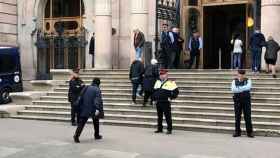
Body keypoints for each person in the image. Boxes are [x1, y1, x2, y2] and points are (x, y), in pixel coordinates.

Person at [73, 78, 104, 143]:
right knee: (96, 121)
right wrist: (97, 109)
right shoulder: (97, 90)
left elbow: (81, 96)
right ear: (98, 84)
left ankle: (76, 135)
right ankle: (96, 135)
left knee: (82, 122)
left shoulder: (86, 87)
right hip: (93, 108)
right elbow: (97, 100)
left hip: (85, 107)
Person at [153, 69, 179, 135]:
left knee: (168, 116)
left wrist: (171, 97)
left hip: (165, 102)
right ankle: (159, 129)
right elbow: (154, 91)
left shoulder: (171, 82)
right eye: (160, 74)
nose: (161, 76)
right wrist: (154, 99)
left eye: (162, 74)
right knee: (159, 116)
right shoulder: (157, 82)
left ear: (166, 75)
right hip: (158, 101)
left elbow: (176, 92)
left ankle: (169, 129)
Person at [231, 70, 254, 138]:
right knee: (237, 116)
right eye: (240, 74)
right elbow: (233, 89)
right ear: (237, 74)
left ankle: (249, 132)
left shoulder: (248, 80)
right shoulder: (234, 81)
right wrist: (243, 89)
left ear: (244, 75)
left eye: (243, 74)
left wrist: (238, 88)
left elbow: (248, 87)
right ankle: (237, 132)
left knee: (247, 116)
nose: (241, 75)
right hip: (237, 100)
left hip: (246, 100)